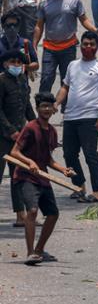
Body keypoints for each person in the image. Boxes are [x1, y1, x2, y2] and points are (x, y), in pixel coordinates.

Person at [10, 91, 75, 265]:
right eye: (42, 106)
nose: (46, 109)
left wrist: (63, 170)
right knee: (32, 211)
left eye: (49, 106)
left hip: (41, 177)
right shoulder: (31, 127)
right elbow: (14, 152)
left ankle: (40, 249)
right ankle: (31, 252)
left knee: (53, 214)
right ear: (38, 108)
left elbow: (48, 160)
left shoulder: (52, 131)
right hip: (25, 177)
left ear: (54, 109)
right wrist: (29, 161)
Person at [53, 31, 98, 203]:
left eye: (92, 44)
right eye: (85, 44)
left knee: (90, 154)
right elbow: (65, 87)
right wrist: (56, 103)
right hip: (70, 116)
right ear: (81, 45)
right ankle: (79, 186)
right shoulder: (73, 65)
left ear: (96, 46)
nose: (88, 47)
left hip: (90, 116)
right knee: (69, 154)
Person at [33, 0, 98, 94]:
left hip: (68, 48)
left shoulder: (74, 1)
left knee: (67, 81)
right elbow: (39, 26)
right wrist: (34, 45)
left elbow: (84, 20)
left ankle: (67, 109)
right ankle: (43, 107)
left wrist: (95, 30)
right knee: (46, 79)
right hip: (49, 48)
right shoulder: (43, 4)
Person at [0, 50, 35, 227]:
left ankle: (21, 215)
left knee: (18, 175)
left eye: (19, 62)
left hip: (19, 137)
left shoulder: (22, 80)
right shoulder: (1, 81)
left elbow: (27, 105)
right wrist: (10, 130)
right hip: (3, 137)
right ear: (5, 64)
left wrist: (37, 126)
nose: (16, 65)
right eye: (12, 62)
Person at [0, 11, 39, 77]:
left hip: (21, 85)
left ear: (19, 27)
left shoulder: (26, 43)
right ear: (3, 26)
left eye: (15, 25)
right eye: (9, 25)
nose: (12, 28)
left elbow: (36, 65)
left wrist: (23, 67)